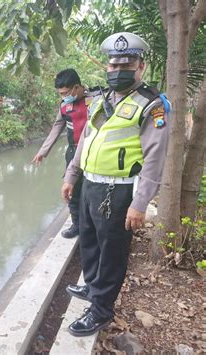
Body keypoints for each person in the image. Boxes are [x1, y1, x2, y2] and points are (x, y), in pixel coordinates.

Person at [61, 32, 170, 336]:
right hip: (91, 185)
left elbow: (155, 158)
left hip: (119, 191)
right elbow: (85, 140)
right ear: (106, 66)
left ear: (141, 67)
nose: (118, 68)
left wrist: (140, 203)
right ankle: (93, 288)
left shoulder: (152, 105)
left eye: (127, 62)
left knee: (112, 252)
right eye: (113, 63)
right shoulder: (101, 99)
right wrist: (71, 176)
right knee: (90, 241)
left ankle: (101, 311)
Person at [32, 69, 97, 239]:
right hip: (73, 151)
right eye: (60, 94)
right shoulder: (64, 106)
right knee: (72, 190)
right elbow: (56, 127)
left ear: (76, 87)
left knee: (93, 189)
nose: (63, 97)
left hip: (96, 152)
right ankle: (77, 225)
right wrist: (43, 151)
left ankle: (92, 224)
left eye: (65, 93)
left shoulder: (97, 99)